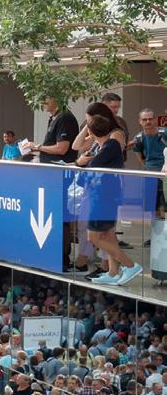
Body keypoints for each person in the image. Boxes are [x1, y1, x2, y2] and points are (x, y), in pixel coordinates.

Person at [73, 103, 142, 285]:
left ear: (92, 132)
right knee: (108, 235)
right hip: (102, 195)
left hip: (103, 197)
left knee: (94, 237)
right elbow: (80, 150)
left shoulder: (111, 144)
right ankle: (112, 273)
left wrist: (80, 163)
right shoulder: (103, 144)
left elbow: (93, 165)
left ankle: (130, 265)